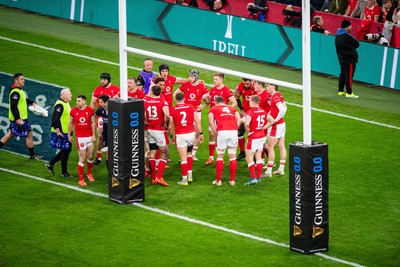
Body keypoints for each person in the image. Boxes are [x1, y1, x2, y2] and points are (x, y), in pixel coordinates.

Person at [0, 73, 43, 160]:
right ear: (16, 81)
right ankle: (32, 155)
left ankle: (32, 155)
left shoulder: (18, 90)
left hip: (19, 118)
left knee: (10, 135)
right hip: (19, 119)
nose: (24, 80)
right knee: (29, 133)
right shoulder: (15, 92)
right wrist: (18, 119)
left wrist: (31, 102)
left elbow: (22, 100)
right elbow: (13, 106)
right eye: (22, 79)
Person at [168, 92, 203, 185]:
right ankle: (190, 175)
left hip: (181, 135)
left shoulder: (173, 109)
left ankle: (184, 180)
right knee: (189, 154)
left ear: (175, 99)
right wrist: (201, 133)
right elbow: (197, 121)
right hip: (191, 134)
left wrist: (172, 136)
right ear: (184, 98)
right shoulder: (191, 107)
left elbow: (170, 127)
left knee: (183, 159)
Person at [174, 70, 209, 161]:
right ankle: (184, 154)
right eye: (189, 76)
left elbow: (208, 99)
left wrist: (203, 106)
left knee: (197, 133)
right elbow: (175, 94)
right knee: (185, 132)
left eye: (192, 77)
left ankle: (193, 154)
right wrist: (180, 105)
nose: (190, 78)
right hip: (186, 112)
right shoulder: (185, 85)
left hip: (197, 112)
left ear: (196, 77)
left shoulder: (202, 87)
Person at [204, 72, 237, 165]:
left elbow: (234, 102)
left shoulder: (226, 90)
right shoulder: (213, 90)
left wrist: (226, 111)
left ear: (221, 80)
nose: (214, 81)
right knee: (211, 135)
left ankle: (220, 157)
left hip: (221, 118)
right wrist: (204, 101)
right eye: (214, 79)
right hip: (213, 116)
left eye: (216, 79)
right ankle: (211, 157)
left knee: (220, 136)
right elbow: (209, 102)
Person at [208, 96, 241, 186]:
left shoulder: (213, 108)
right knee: (232, 156)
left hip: (222, 132)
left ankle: (218, 181)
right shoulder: (232, 108)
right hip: (233, 132)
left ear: (215, 102)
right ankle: (232, 180)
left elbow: (211, 122)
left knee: (220, 156)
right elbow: (239, 119)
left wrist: (215, 132)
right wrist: (235, 128)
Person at [90, 72, 119, 166]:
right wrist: (90, 115)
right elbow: (93, 103)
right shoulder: (97, 90)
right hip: (101, 115)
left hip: (113, 115)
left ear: (108, 80)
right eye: (101, 79)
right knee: (100, 136)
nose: (102, 81)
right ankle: (99, 156)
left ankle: (111, 154)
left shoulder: (116, 89)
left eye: (104, 80)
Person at [144, 85, 170, 186]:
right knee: (165, 152)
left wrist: (147, 121)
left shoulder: (146, 101)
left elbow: (143, 115)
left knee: (153, 152)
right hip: (158, 129)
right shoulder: (162, 101)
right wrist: (166, 125)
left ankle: (153, 178)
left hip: (149, 128)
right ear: (160, 91)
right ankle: (159, 177)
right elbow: (167, 115)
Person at [68, 95, 96, 187]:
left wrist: (93, 135)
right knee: (82, 158)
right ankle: (81, 179)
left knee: (91, 156)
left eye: (79, 101)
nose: (77, 102)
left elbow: (93, 122)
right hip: (80, 138)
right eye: (77, 101)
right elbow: (71, 123)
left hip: (89, 137)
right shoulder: (73, 111)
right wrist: (69, 135)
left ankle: (89, 173)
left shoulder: (90, 110)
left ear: (84, 102)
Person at [45, 88, 73, 177]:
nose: (71, 95)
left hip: (66, 132)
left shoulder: (66, 103)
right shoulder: (59, 105)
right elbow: (55, 118)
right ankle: (64, 172)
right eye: (69, 94)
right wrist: (58, 131)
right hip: (62, 132)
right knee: (65, 150)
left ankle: (51, 163)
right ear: (63, 96)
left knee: (66, 150)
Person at [262, 84, 287, 178]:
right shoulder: (279, 95)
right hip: (282, 124)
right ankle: (281, 169)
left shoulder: (275, 97)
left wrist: (275, 119)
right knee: (281, 146)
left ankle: (268, 171)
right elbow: (285, 108)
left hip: (276, 125)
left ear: (273, 87)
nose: (267, 88)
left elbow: (282, 110)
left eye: (268, 86)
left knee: (270, 147)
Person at [243, 95, 267, 185]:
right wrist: (262, 128)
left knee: (249, 157)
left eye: (249, 101)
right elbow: (271, 120)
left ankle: (253, 178)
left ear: (253, 102)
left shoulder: (251, 112)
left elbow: (246, 124)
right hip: (261, 135)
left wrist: (249, 132)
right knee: (258, 156)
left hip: (253, 137)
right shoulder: (263, 111)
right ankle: (258, 177)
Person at [335, 19, 360, 98]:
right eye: (350, 26)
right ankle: (349, 93)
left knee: (342, 74)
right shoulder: (347, 36)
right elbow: (357, 44)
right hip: (349, 59)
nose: (351, 27)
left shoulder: (337, 35)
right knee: (349, 75)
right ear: (346, 27)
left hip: (341, 58)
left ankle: (340, 91)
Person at [233, 78, 255, 161]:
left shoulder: (255, 87)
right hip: (245, 113)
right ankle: (242, 152)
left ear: (251, 82)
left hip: (253, 114)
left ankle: (259, 157)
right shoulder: (240, 86)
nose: (245, 85)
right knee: (239, 133)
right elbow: (237, 98)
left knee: (254, 135)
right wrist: (241, 109)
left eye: (247, 84)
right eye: (244, 83)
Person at [95, 95, 109, 170]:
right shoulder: (101, 109)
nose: (99, 104)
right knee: (108, 155)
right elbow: (94, 115)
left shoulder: (115, 109)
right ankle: (110, 176)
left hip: (115, 134)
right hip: (106, 135)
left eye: (101, 102)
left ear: (106, 102)